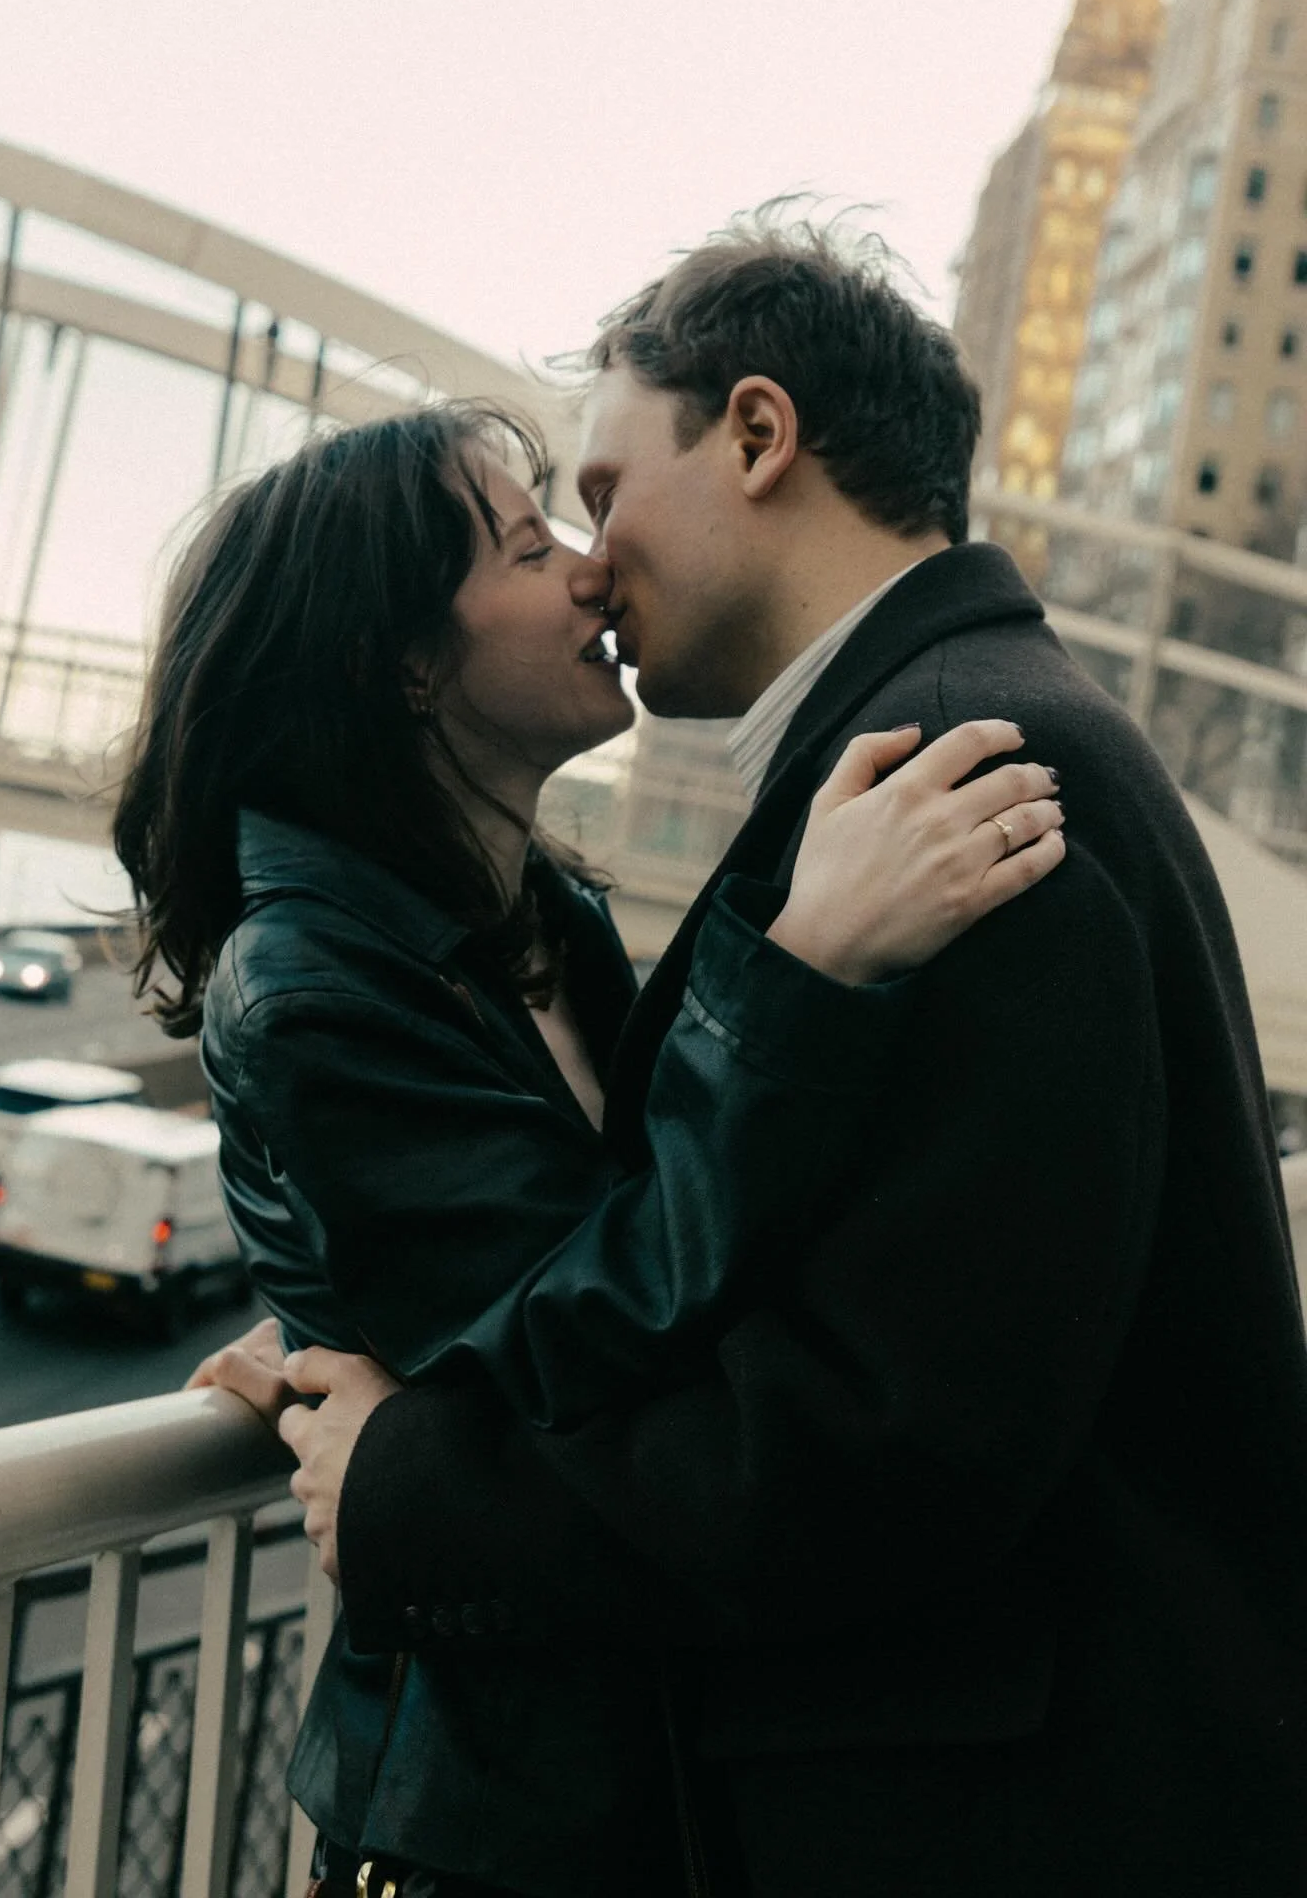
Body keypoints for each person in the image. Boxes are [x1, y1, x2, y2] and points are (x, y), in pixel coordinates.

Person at [225, 214, 1307, 1898]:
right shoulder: (943, 743)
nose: (591, 560)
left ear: (753, 435)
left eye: (599, 489)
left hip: (995, 1827)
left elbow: (885, 1442)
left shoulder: (961, 784)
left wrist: (414, 1495)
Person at [119, 398, 1064, 1898]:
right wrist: (804, 967)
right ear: (404, 663)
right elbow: (583, 1327)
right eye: (525, 541)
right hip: (495, 1817)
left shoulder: (533, 918)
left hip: (643, 1749)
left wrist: (368, 1329)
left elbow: (580, 1264)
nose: (590, 567)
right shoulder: (309, 986)